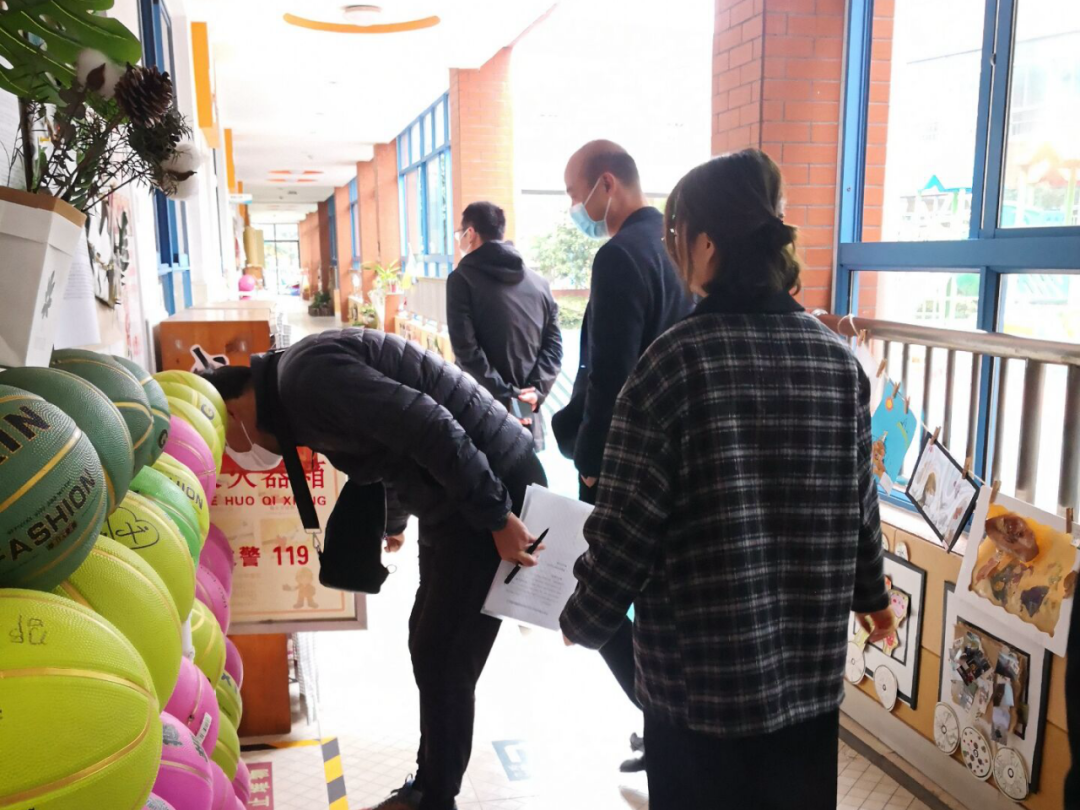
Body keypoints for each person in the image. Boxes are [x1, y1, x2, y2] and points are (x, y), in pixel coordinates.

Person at [559, 149, 897, 809]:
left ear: (706, 243)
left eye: (677, 238)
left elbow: (628, 528)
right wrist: (872, 594)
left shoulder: (670, 366)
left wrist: (584, 617)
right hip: (806, 679)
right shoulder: (838, 364)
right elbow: (861, 504)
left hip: (698, 690)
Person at [202, 330, 547, 810]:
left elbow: (430, 426)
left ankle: (434, 796)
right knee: (428, 640)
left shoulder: (308, 382)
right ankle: (429, 787)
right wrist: (396, 520)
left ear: (235, 412)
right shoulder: (294, 386)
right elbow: (385, 447)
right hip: (454, 494)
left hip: (490, 484)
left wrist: (498, 518)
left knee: (446, 653)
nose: (240, 456)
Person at [551, 139, 692, 770]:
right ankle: (667, 727)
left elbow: (611, 369)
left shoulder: (618, 257)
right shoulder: (676, 250)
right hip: (680, 458)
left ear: (607, 183)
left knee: (598, 597)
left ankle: (663, 723)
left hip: (623, 458)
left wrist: (592, 460)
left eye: (576, 194)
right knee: (659, 599)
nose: (577, 207)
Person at [447, 201, 563, 450]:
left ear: (471, 233)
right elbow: (553, 347)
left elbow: (466, 351)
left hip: (480, 414)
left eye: (460, 232)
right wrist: (533, 393)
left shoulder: (461, 280)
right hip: (527, 413)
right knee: (525, 484)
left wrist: (506, 398)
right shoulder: (539, 284)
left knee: (481, 485)